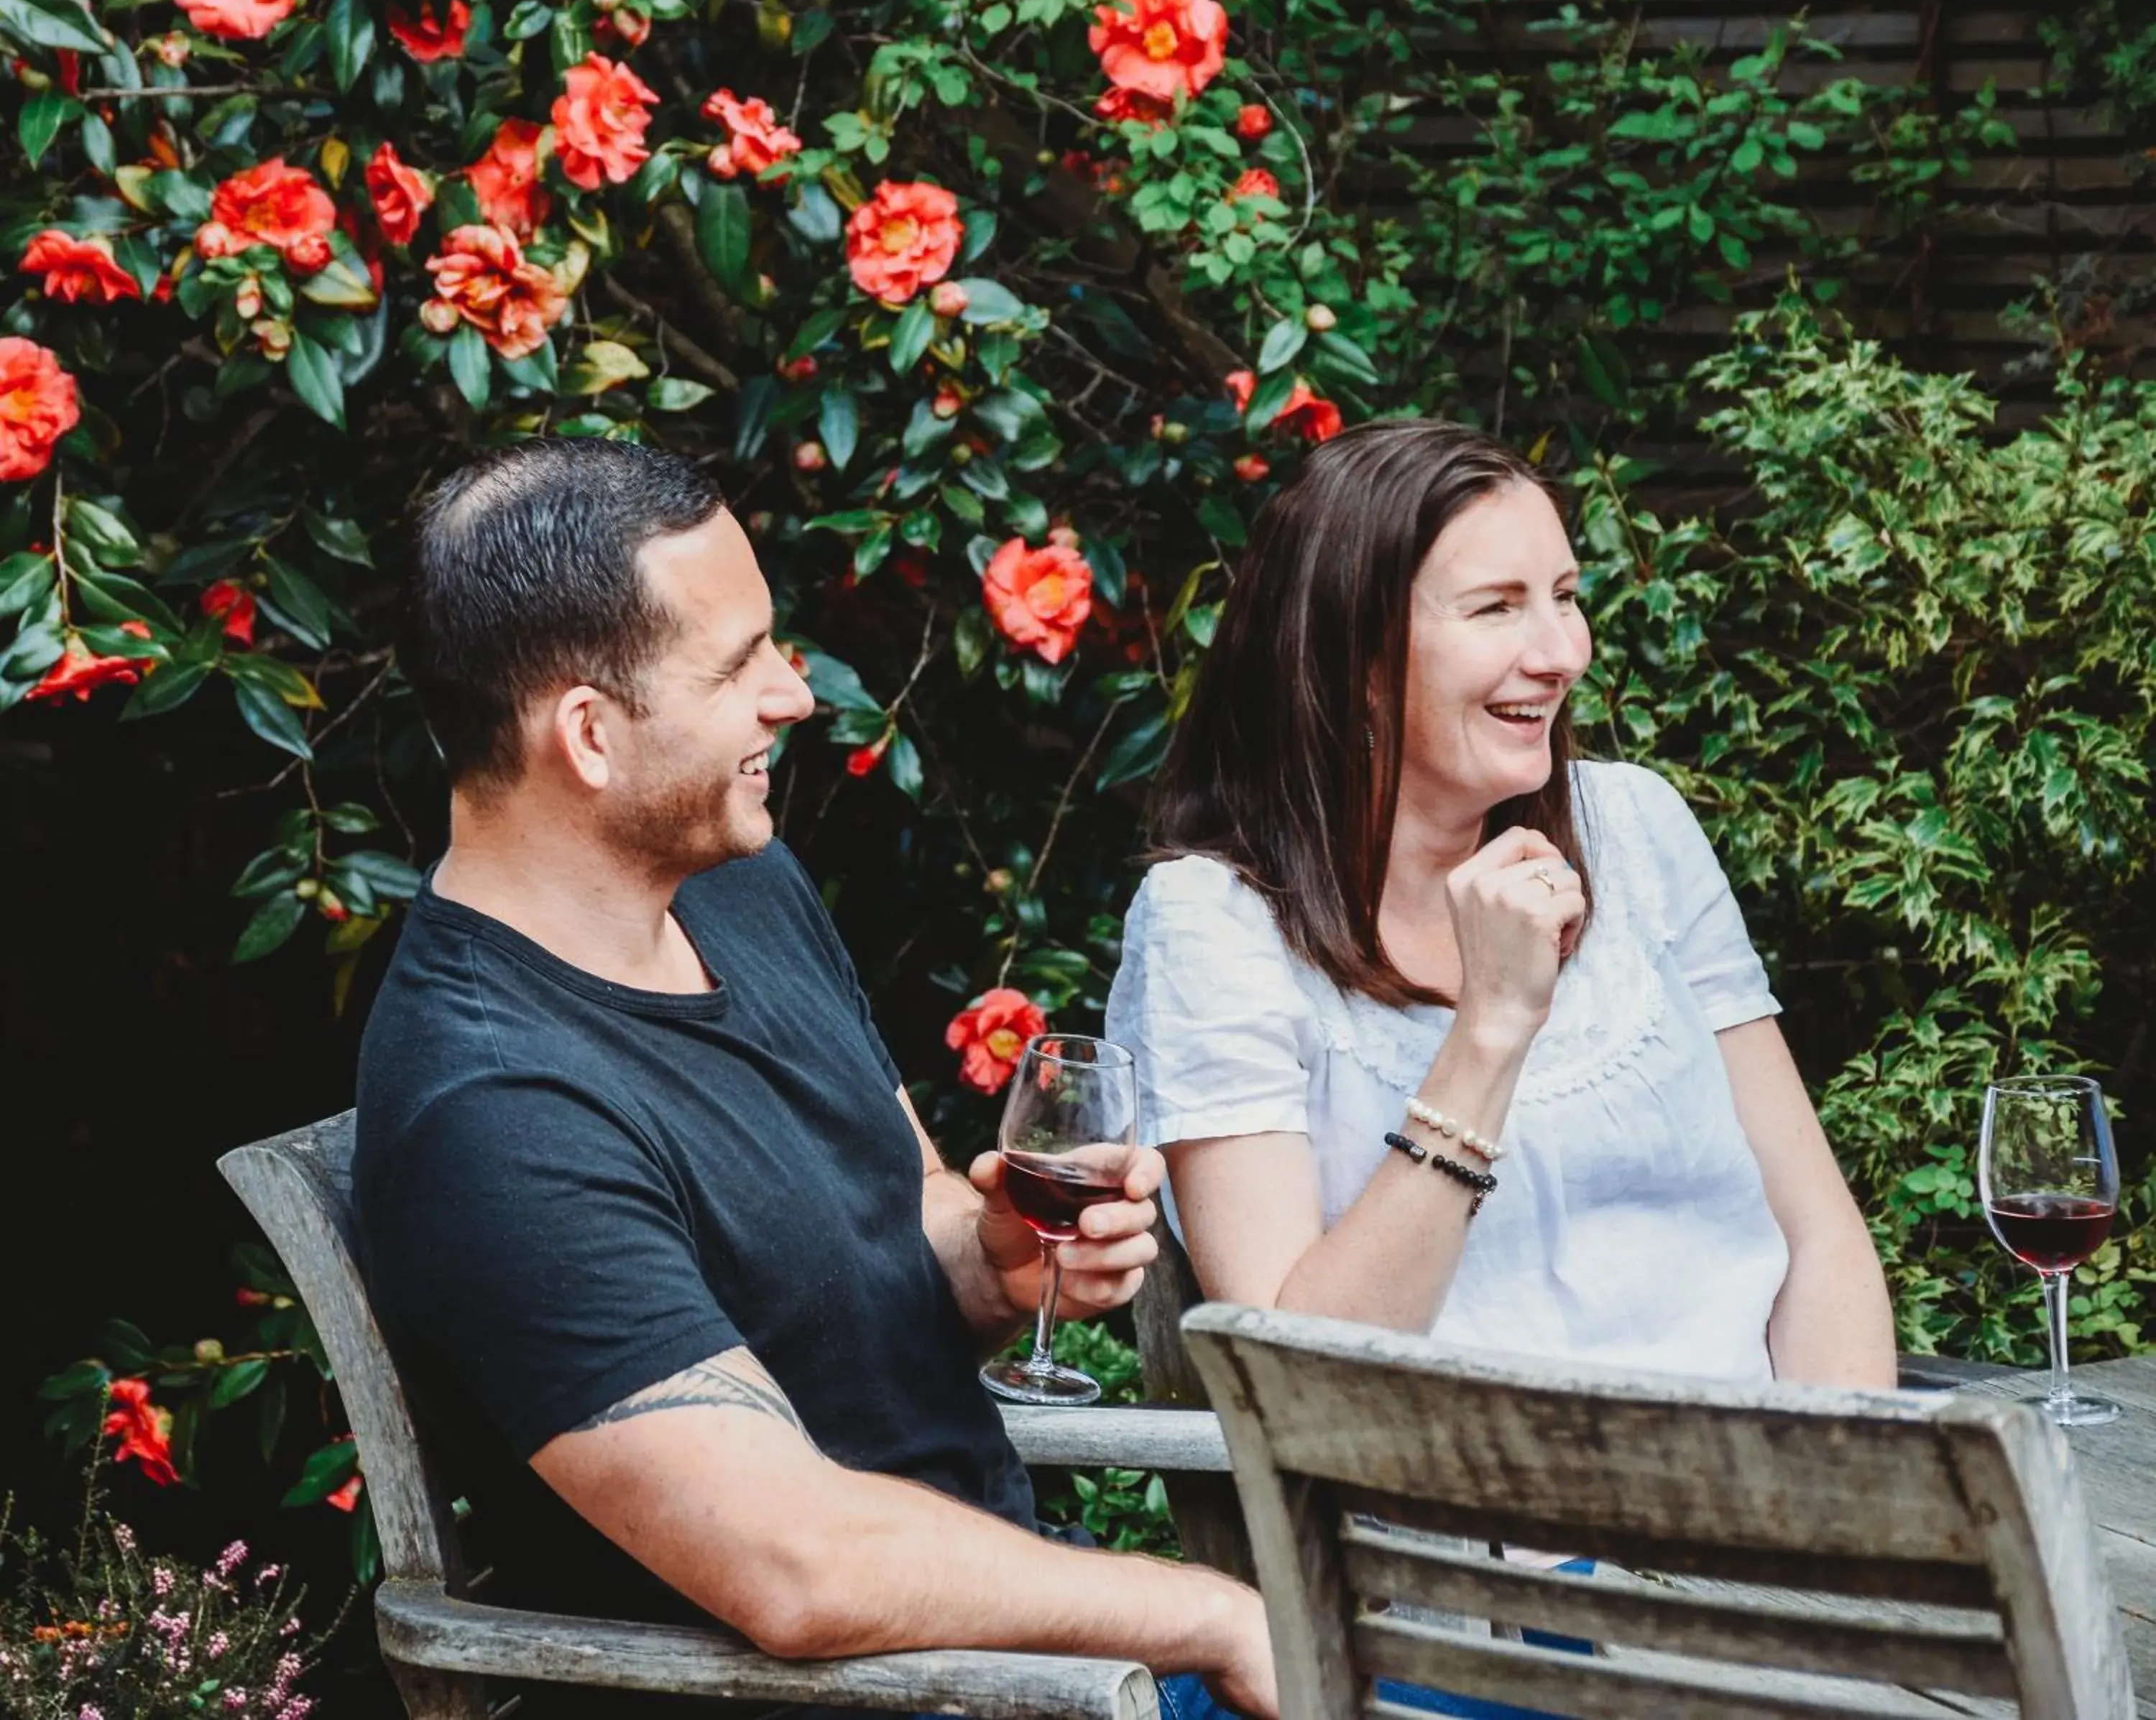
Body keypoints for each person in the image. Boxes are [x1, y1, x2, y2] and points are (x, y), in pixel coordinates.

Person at [350, 438, 1276, 1720]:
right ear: (589, 733)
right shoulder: (495, 1113)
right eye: (739, 664)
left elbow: (908, 1208)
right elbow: (794, 1565)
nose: (793, 694)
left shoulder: (734, 880)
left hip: (1035, 1675)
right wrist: (1216, 1615)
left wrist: (992, 1259)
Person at [1105, 419, 1896, 1392]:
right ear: (1354, 657)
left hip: (1760, 1502)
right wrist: (1489, 1032)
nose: (1562, 653)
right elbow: (1296, 1376)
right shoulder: (1215, 924)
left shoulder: (1635, 828)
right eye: (1497, 609)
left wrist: (1855, 1513)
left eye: (1566, 598)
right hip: (1452, 1529)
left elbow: (1819, 1238)